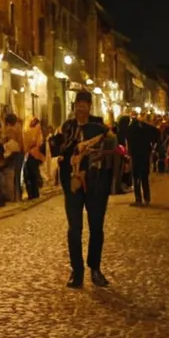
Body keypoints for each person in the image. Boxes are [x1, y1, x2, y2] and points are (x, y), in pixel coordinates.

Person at [56, 90, 113, 289]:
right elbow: (60, 148)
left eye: (84, 103)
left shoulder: (99, 127)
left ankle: (95, 269)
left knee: (96, 226)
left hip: (95, 183)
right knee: (74, 228)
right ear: (74, 106)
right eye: (78, 103)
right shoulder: (67, 127)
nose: (81, 106)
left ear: (89, 105)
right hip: (73, 183)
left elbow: (111, 147)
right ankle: (76, 271)